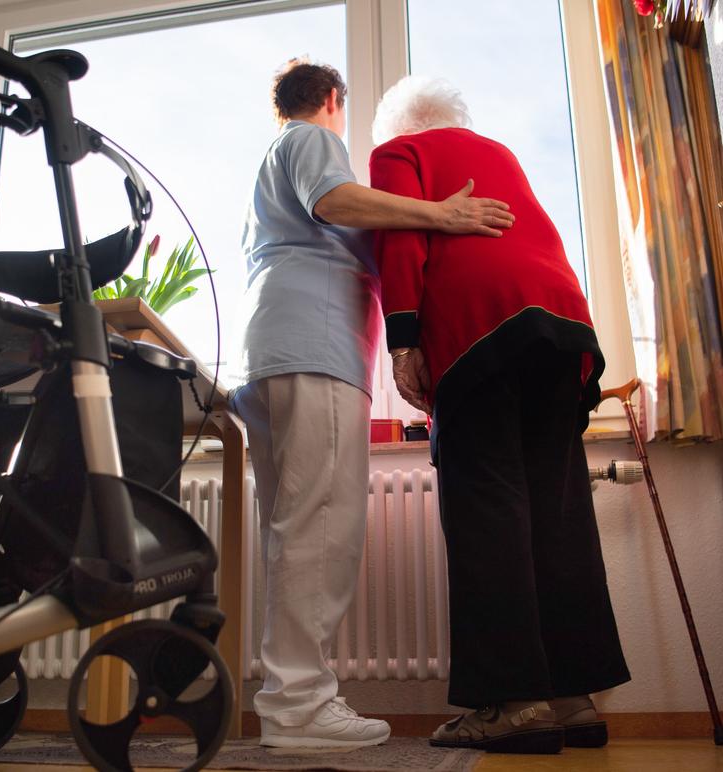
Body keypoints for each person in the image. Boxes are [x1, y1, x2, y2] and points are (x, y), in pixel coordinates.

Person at [229, 59, 514, 750]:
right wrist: (441, 213)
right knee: (322, 527)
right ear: (333, 98)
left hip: (272, 350)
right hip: (313, 348)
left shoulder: (271, 165)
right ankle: (299, 708)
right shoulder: (311, 139)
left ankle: (290, 701)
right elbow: (337, 202)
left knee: (294, 530)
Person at [368, 75, 630, 754]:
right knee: (556, 508)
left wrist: (403, 342)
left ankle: (513, 706)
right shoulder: (498, 152)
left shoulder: (399, 154)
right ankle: (573, 698)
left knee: (487, 509)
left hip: (480, 327)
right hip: (561, 325)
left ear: (397, 125)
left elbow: (401, 240)